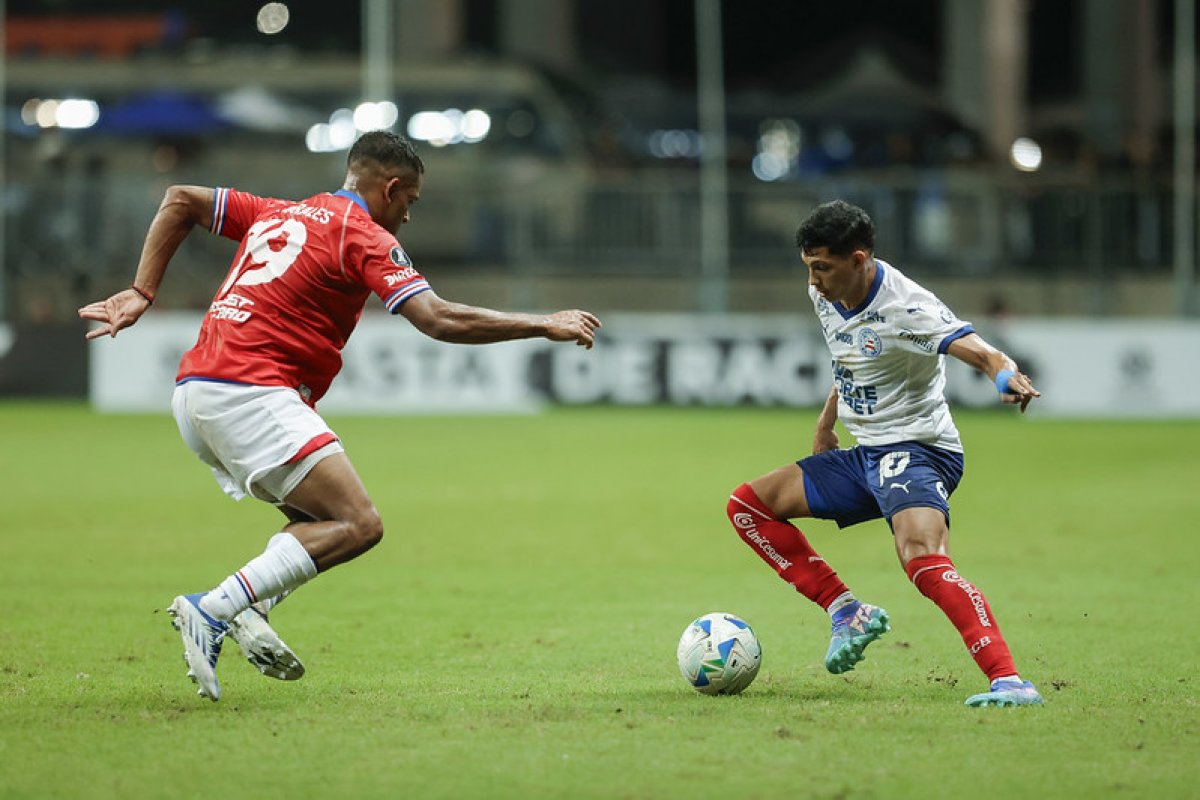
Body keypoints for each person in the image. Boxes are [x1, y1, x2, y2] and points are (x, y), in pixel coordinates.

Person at [78, 131, 601, 702]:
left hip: (196, 393)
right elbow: (438, 318)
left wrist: (141, 290)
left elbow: (180, 198)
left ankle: (253, 607)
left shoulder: (280, 211)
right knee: (359, 524)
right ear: (392, 187)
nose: (407, 216)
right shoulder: (364, 235)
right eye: (410, 202)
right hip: (251, 392)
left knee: (312, 522)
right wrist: (541, 323)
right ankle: (217, 607)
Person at [725, 200, 1043, 707]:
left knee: (920, 558)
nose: (813, 282)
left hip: (919, 449)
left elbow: (981, 350)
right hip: (864, 452)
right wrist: (828, 421)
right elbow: (846, 357)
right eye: (808, 268)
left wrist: (1007, 377)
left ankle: (1009, 680)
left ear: (859, 259)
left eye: (822, 268)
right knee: (747, 507)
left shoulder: (906, 307)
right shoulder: (828, 294)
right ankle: (846, 611)